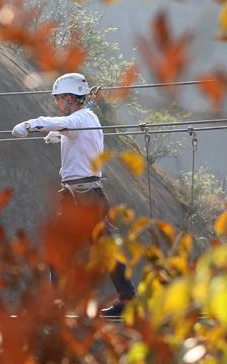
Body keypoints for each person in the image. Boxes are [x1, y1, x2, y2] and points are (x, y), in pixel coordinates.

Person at [11, 72, 135, 318]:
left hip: (86, 196)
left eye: (59, 98)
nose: (57, 103)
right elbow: (72, 126)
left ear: (69, 98)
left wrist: (29, 125)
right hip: (77, 194)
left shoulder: (79, 120)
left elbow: (55, 121)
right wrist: (59, 134)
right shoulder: (86, 118)